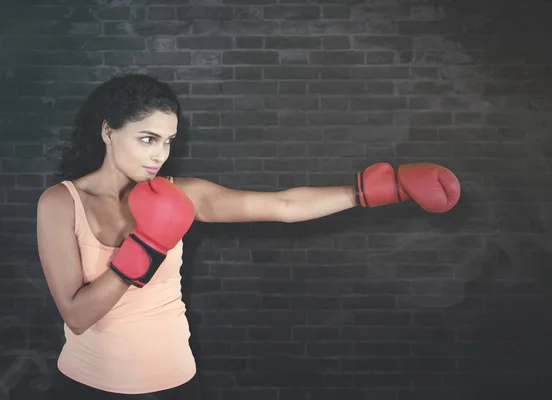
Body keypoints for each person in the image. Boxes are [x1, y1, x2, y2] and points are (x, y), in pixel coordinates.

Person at [36, 74, 461, 399]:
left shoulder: (180, 194)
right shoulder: (61, 202)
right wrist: (148, 244)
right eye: (146, 139)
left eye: (167, 141)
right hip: (85, 386)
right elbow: (76, 315)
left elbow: (283, 206)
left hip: (174, 383)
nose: (158, 155)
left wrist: (375, 191)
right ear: (109, 131)